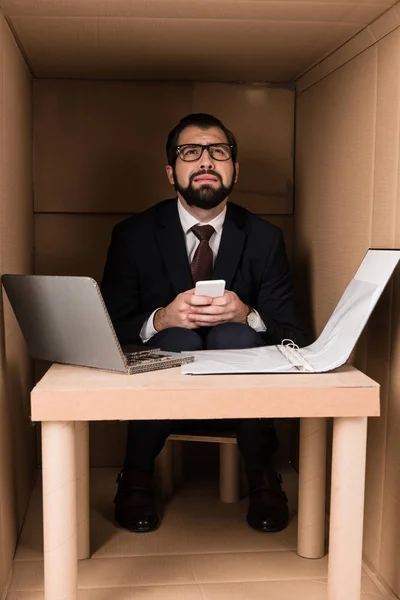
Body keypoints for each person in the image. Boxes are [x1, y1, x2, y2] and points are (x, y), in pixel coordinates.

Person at [101, 113, 307, 535]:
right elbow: (107, 328)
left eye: (219, 152)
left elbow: (294, 334)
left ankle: (263, 474)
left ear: (235, 169)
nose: (206, 161)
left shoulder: (265, 238)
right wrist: (159, 319)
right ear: (170, 172)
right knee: (175, 336)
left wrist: (246, 313)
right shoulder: (133, 235)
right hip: (162, 376)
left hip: (240, 376)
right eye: (190, 152)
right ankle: (137, 475)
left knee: (236, 334)